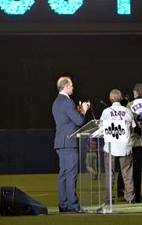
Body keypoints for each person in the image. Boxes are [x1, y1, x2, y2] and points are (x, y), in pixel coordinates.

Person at [52, 76, 90, 213]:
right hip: (69, 142)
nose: (73, 87)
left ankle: (64, 204)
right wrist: (83, 110)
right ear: (66, 86)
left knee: (63, 174)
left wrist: (78, 110)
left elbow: (69, 120)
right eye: (72, 85)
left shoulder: (57, 102)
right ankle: (73, 206)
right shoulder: (67, 102)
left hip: (60, 142)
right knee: (71, 174)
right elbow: (79, 121)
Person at [97, 89, 136, 204]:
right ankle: (130, 198)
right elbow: (133, 127)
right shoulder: (127, 111)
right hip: (125, 146)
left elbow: (100, 127)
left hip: (110, 147)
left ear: (110, 99)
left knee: (110, 174)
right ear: (121, 99)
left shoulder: (106, 112)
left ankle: (109, 199)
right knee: (127, 173)